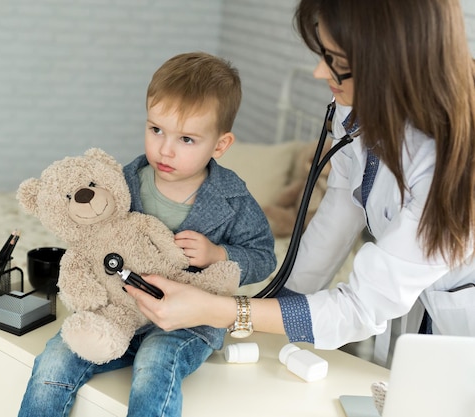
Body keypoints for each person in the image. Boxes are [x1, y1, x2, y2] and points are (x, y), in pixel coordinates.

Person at [126, 0, 475, 368]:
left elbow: (359, 306)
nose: (318, 72)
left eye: (337, 63)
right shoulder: (360, 105)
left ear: (391, 63)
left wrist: (228, 311)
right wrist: (276, 301)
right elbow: (343, 200)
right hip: (430, 323)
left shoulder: (454, 165)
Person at [18, 52, 277, 417]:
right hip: (120, 310)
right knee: (56, 357)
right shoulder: (125, 181)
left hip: (186, 319)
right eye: (156, 130)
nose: (165, 149)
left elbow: (264, 255)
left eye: (186, 139)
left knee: (156, 363)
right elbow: (94, 235)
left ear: (219, 145)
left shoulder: (233, 199)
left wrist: (219, 255)